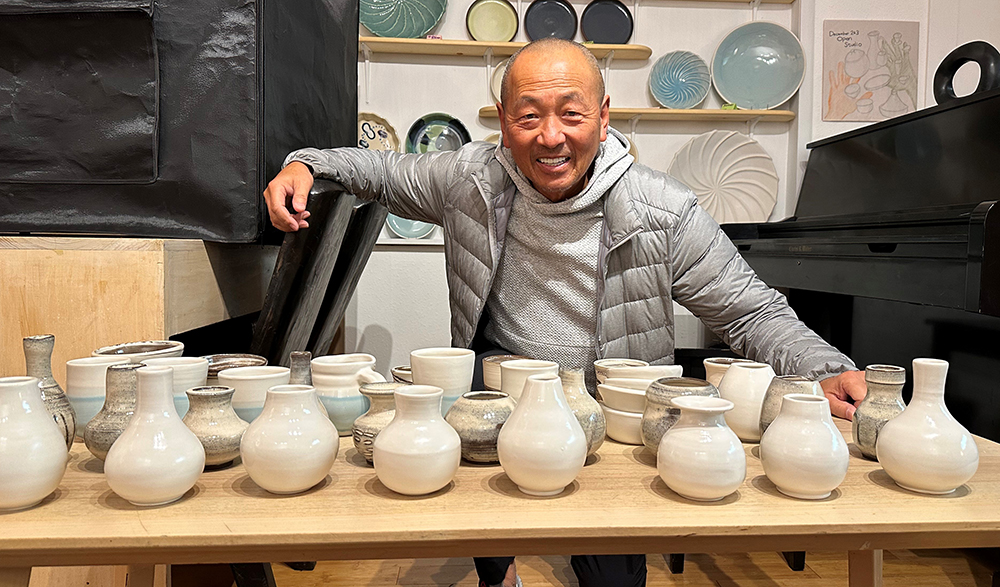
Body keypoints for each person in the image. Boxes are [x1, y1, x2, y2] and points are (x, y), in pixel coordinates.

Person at [264, 37, 866, 587]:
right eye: (528, 115)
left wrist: (824, 367)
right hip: (500, 396)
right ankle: (497, 572)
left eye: (571, 113)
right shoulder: (469, 181)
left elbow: (750, 311)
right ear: (504, 124)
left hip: (610, 416)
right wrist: (305, 164)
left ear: (603, 119)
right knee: (484, 520)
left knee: (613, 577)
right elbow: (380, 170)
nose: (550, 136)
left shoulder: (665, 211)